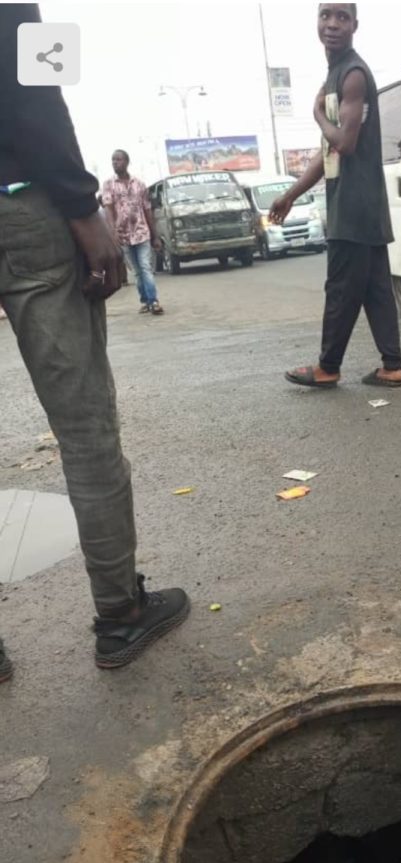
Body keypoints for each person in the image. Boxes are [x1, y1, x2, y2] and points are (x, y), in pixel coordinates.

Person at [0, 4, 189, 678]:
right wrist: (82, 208)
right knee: (84, 428)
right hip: (24, 208)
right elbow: (39, 86)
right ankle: (120, 612)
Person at [270, 3, 401, 389]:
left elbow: (344, 142)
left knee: (341, 288)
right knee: (375, 289)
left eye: (341, 17)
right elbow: (328, 152)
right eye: (325, 15)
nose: (332, 24)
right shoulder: (336, 75)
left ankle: (328, 367)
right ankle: (392, 365)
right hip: (364, 204)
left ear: (354, 25)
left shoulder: (353, 75)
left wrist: (317, 114)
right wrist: (291, 194)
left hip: (353, 204)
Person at [102, 150, 164, 315]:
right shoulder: (108, 185)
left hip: (142, 232)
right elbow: (108, 209)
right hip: (122, 236)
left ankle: (154, 301)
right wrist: (113, 232)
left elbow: (148, 210)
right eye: (113, 160)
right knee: (137, 271)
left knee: (145, 267)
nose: (115, 163)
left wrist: (155, 236)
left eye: (119, 159)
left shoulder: (139, 184)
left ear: (127, 162)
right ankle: (145, 301)